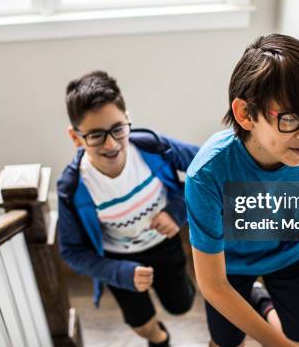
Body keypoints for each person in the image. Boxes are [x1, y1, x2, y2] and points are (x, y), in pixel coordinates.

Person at [185, 34, 299, 347]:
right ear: (245, 114)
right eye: (290, 119)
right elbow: (212, 284)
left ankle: (262, 302)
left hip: (292, 253)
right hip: (229, 266)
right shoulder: (207, 175)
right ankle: (258, 299)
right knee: (224, 342)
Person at [56, 71, 198, 347]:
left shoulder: (153, 147)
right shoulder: (73, 188)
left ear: (127, 120)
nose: (111, 144)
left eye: (118, 129)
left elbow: (206, 168)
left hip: (165, 247)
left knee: (181, 305)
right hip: (118, 261)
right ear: (76, 137)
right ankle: (159, 337)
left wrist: (176, 212)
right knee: (141, 324)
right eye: (96, 135)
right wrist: (119, 273)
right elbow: (71, 251)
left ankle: (174, 295)